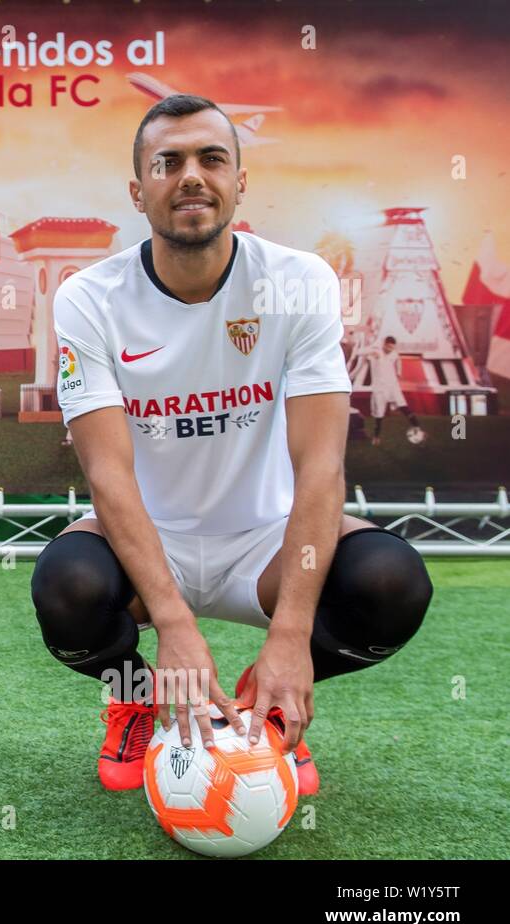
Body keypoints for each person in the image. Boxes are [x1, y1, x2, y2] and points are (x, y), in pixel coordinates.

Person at [30, 95, 432, 795]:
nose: (191, 176)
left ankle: (264, 707)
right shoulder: (90, 298)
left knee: (390, 585)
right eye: (169, 162)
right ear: (138, 191)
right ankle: (139, 698)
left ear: (240, 182)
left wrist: (290, 638)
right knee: (68, 590)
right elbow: (107, 474)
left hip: (269, 545)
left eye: (212, 158)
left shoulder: (298, 281)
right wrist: (174, 626)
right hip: (149, 543)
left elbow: (321, 467)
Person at [363, 335, 422, 445]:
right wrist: (371, 352)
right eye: (389, 347)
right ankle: (376, 437)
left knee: (403, 406)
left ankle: (418, 428)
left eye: (392, 347)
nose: (390, 350)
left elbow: (398, 360)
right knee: (379, 414)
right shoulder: (377, 352)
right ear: (384, 344)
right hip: (379, 388)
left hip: (393, 386)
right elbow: (364, 353)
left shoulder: (394, 353)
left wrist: (399, 373)